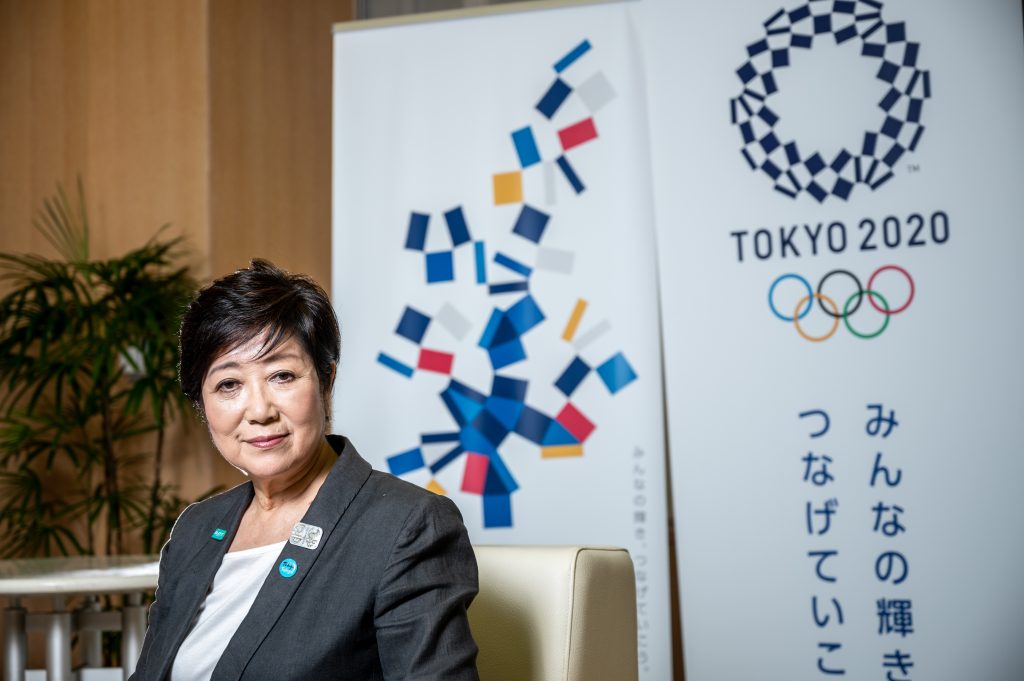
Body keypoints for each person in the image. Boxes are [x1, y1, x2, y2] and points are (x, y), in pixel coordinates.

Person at [129, 259, 480, 680]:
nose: (259, 410)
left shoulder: (406, 526)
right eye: (228, 385)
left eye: (281, 375)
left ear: (326, 381)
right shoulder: (196, 529)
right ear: (202, 406)